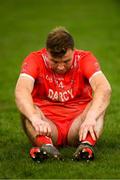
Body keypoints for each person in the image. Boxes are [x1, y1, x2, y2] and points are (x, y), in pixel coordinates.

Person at [15, 27, 111, 162]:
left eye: (66, 61)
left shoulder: (84, 58)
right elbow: (21, 90)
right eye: (54, 61)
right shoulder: (35, 59)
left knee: (98, 105)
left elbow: (104, 88)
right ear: (46, 52)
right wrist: (34, 117)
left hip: (78, 126)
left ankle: (86, 146)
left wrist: (91, 117)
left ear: (73, 51)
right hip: (47, 126)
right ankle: (47, 147)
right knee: (28, 109)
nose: (60, 67)